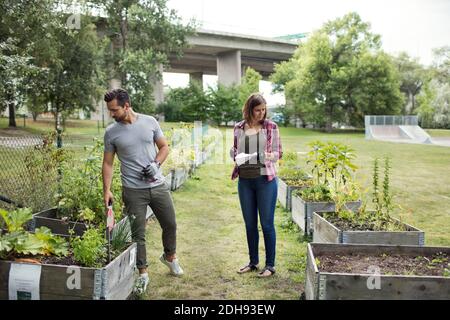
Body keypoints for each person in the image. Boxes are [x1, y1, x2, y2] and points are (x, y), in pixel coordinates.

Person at [102, 88, 183, 294]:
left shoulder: (150, 122)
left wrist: (156, 164)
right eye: (110, 110)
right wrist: (107, 190)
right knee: (139, 234)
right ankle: (143, 273)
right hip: (133, 190)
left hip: (157, 185)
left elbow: (164, 147)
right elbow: (108, 163)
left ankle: (170, 256)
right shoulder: (112, 132)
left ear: (126, 105)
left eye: (115, 109)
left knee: (170, 224)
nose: (112, 113)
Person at [230, 93, 282, 278]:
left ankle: (270, 265)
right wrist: (235, 155)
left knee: (266, 224)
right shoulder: (239, 127)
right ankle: (253, 262)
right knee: (250, 224)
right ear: (249, 110)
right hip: (245, 181)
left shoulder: (271, 127)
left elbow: (278, 153)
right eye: (258, 110)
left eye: (263, 109)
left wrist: (262, 155)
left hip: (265, 181)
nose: (261, 113)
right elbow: (234, 150)